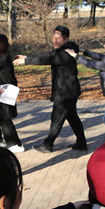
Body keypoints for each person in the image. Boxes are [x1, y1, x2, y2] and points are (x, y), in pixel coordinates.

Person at [14, 25, 87, 153]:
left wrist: (26, 61)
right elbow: (47, 54)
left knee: (57, 119)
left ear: (65, 39)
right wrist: (27, 58)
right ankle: (81, 143)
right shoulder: (62, 50)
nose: (55, 40)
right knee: (72, 117)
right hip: (69, 91)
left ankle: (48, 145)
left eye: (58, 38)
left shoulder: (65, 54)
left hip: (65, 93)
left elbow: (48, 59)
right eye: (54, 37)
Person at [65, 34, 105, 139]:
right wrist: (82, 51)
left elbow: (91, 64)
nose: (104, 45)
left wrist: (75, 56)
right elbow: (99, 56)